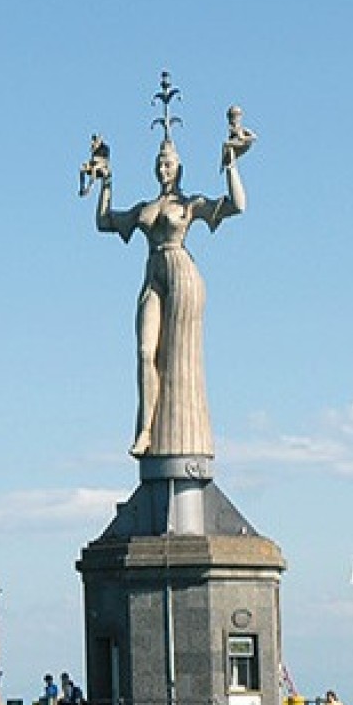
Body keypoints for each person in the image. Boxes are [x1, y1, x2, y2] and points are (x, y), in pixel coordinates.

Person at [93, 86, 251, 458]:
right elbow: (105, 222)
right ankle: (145, 429)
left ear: (179, 166)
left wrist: (231, 163)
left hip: (182, 271)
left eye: (169, 163)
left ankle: (178, 435)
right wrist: (106, 180)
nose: (164, 169)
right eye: (159, 163)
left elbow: (237, 206)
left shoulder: (190, 203)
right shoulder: (146, 208)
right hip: (153, 273)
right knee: (146, 352)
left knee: (178, 354)